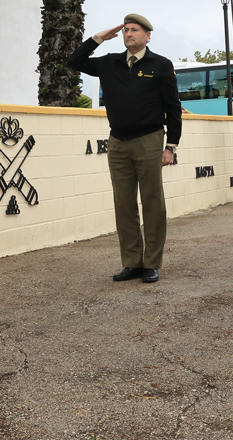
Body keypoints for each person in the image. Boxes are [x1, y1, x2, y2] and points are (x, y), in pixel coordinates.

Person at [67, 14, 182, 283]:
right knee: (124, 204)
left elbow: (173, 108)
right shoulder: (110, 63)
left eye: (135, 30)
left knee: (153, 202)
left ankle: (151, 263)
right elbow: (74, 61)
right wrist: (98, 38)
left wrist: (171, 146)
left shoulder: (161, 65)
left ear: (147, 36)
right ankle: (132, 262)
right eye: (126, 30)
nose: (129, 34)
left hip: (149, 140)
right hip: (118, 142)